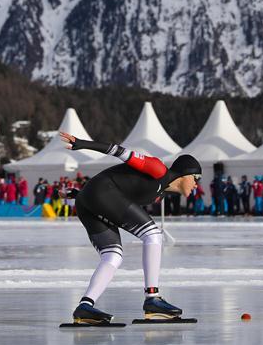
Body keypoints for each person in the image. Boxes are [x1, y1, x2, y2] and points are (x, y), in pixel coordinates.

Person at [59, 130, 201, 325]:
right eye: (196, 178)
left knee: (113, 255)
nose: (197, 185)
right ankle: (153, 298)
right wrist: (84, 144)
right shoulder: (158, 169)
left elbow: (120, 184)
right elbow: (118, 151)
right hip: (98, 194)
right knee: (152, 234)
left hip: (88, 200)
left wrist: (80, 194)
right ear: (186, 174)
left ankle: (85, 306)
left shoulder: (159, 194)